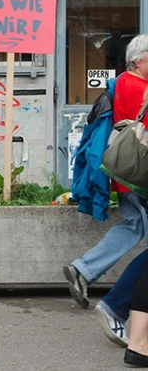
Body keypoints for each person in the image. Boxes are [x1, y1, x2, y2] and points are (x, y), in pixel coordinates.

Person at [63, 36, 148, 348]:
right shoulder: (137, 87)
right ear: (137, 60)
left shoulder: (122, 83)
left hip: (127, 174)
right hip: (141, 176)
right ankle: (117, 306)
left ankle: (83, 269)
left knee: (131, 226)